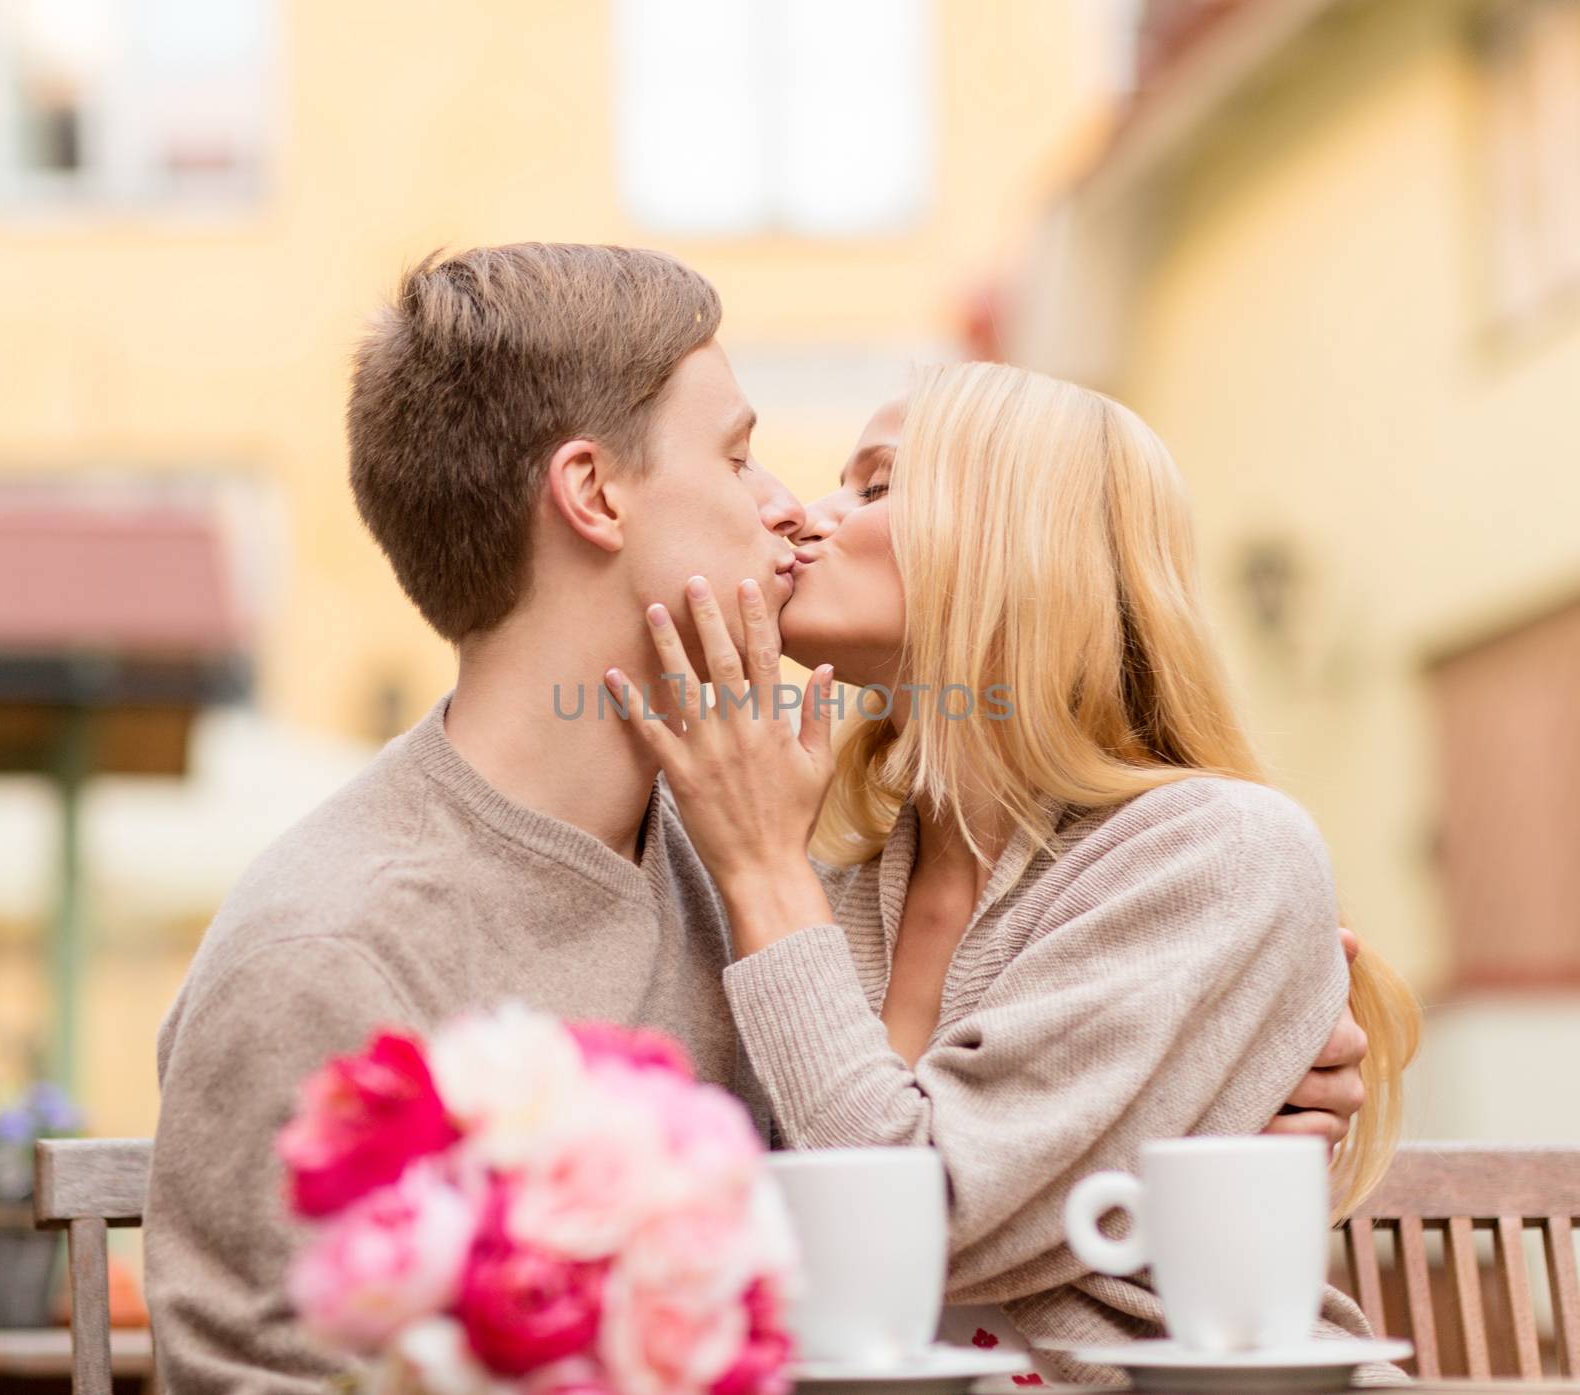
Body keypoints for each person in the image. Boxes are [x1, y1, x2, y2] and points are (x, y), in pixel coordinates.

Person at [144, 246, 1369, 1392]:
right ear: (593, 496)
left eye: (868, 484)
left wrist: (1217, 1078)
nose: (792, 512)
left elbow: (929, 1146)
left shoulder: (759, 859)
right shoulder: (335, 948)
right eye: (739, 458)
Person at [602, 362, 1420, 1384]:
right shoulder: (840, 881)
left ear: (1013, 548)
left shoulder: (1220, 851)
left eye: (875, 485)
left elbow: (918, 1218)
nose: (804, 516)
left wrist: (764, 875)